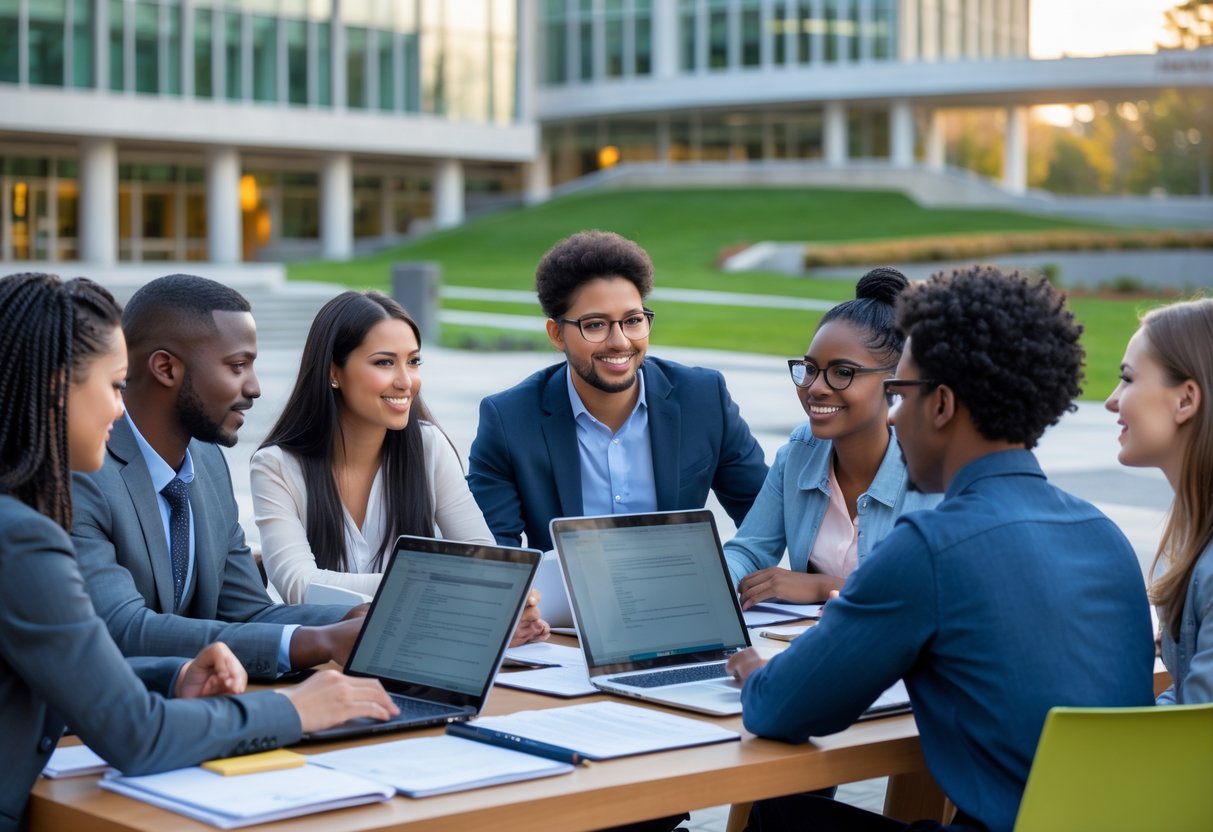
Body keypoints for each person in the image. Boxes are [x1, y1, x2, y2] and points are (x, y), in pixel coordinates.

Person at [726, 266, 1155, 832]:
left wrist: (756, 671)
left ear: (942, 405)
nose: (895, 419)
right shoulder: (1103, 534)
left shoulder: (929, 547)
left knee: (781, 819)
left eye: (900, 397)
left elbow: (782, 709)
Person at [0, 273, 397, 830]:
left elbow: (59, 659)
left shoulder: (205, 465)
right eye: (114, 387)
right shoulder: (23, 531)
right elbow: (135, 729)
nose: (119, 410)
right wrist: (297, 708)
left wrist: (175, 675)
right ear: (58, 388)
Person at [71, 274, 365, 680]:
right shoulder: (82, 472)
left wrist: (355, 618)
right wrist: (321, 641)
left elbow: (247, 611)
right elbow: (122, 630)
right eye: (237, 365)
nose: (255, 387)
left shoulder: (207, 461)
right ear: (165, 368)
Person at [251, 290, 547, 644]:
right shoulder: (276, 467)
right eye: (384, 362)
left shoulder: (427, 446)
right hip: (324, 663)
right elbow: (301, 587)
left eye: (414, 361)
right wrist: (453, 585)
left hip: (420, 645)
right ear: (333, 372)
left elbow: (486, 562)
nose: (406, 381)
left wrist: (503, 607)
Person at [468, 230, 768, 551]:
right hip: (568, 600)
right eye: (595, 324)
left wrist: (734, 571)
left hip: (679, 597)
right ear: (557, 334)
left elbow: (767, 517)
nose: (621, 342)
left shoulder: (703, 398)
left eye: (633, 320)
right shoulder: (508, 420)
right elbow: (493, 550)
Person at [725, 268, 940, 608]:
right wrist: (705, 586)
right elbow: (749, 551)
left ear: (896, 381)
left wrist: (824, 587)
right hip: (814, 647)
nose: (816, 388)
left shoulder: (933, 474)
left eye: (843, 372)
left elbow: (933, 596)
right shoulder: (800, 451)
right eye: (810, 368)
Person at [1106, 297, 1213, 705]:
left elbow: (1198, 735)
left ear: (1185, 400)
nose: (1112, 401)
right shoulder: (1194, 533)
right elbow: (1189, 700)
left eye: (1128, 379)